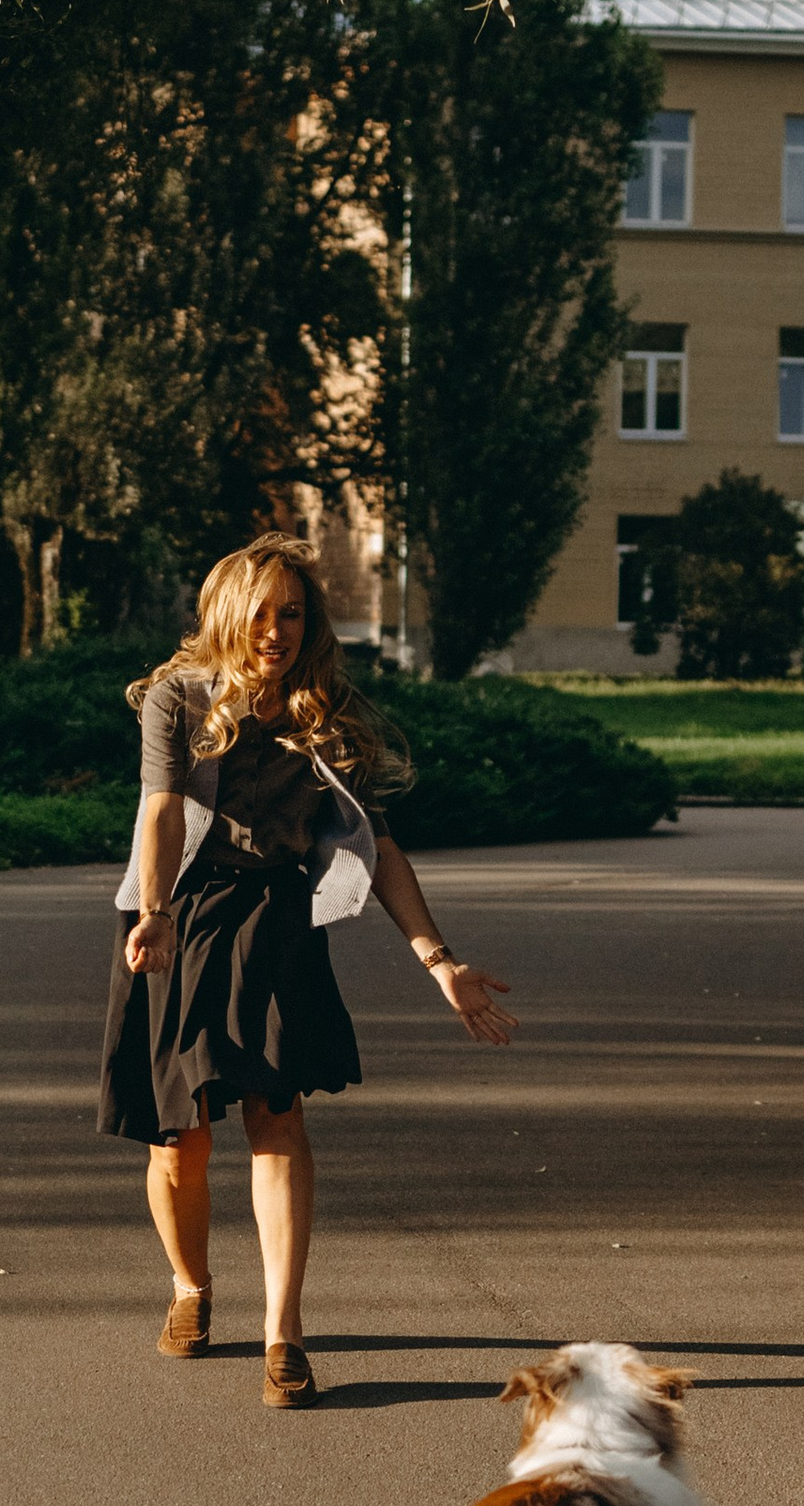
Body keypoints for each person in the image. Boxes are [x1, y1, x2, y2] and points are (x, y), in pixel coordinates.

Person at [97, 540, 516, 1408]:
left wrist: (439, 960)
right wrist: (157, 914)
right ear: (223, 614)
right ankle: (191, 1288)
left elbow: (382, 842)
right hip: (176, 919)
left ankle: (283, 1333)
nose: (275, 630)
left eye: (291, 612)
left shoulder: (326, 705)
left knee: (275, 1116)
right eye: (258, 611)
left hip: (277, 920)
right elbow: (163, 808)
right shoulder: (177, 698)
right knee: (178, 1141)